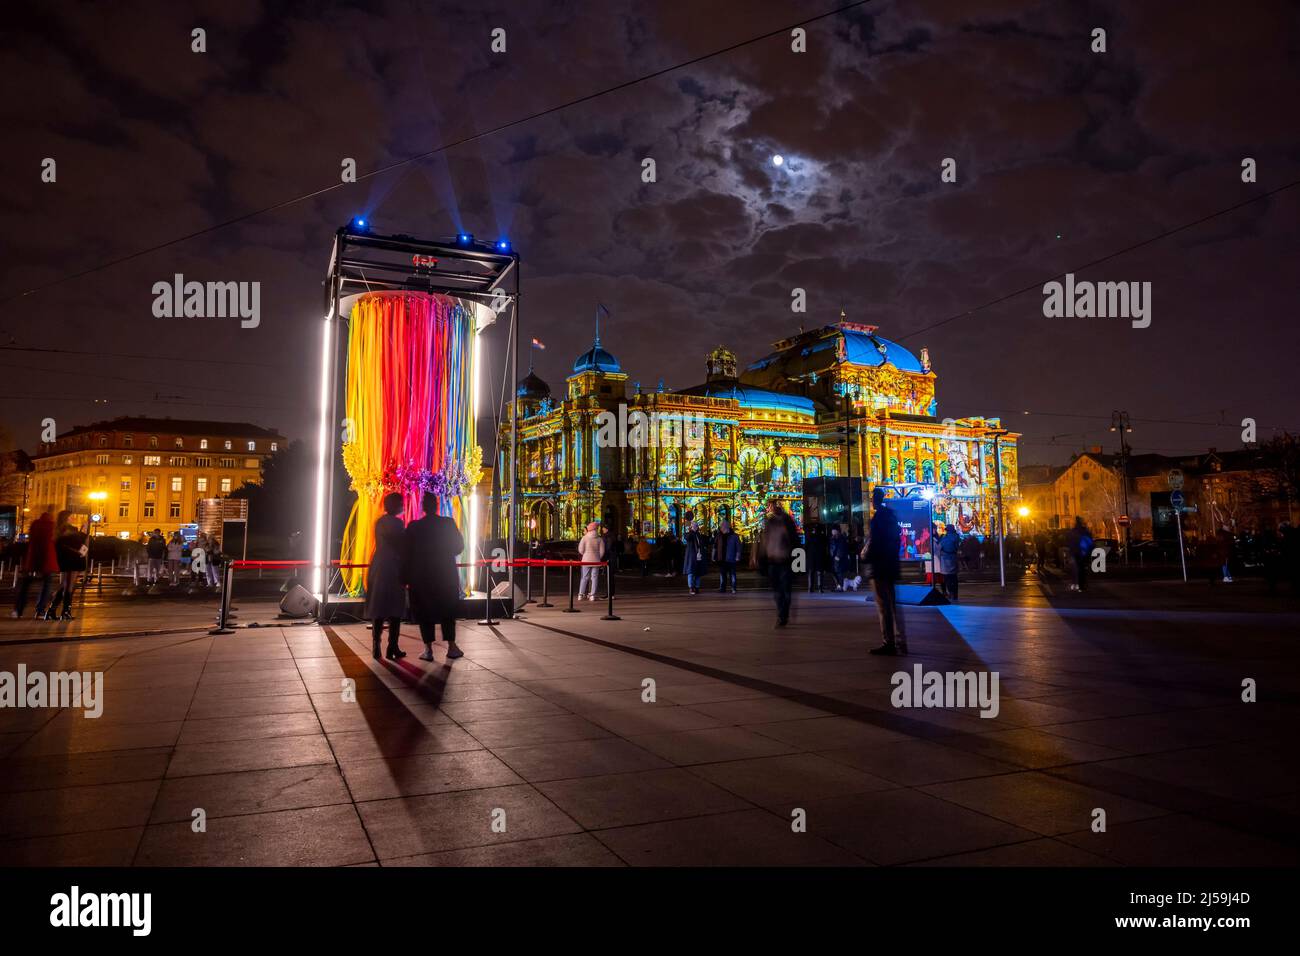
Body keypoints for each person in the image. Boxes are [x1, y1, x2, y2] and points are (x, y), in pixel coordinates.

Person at [404, 492, 465, 661]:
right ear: (437, 505)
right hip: (445, 574)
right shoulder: (447, 523)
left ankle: (428, 649)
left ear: (423, 507)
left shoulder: (414, 527)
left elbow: (406, 553)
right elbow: (459, 547)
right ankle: (451, 646)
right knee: (448, 610)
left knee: (425, 612)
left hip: (422, 576)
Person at [863, 488, 906, 655]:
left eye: (872, 498)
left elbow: (875, 542)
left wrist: (866, 555)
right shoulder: (891, 516)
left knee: (883, 606)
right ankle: (900, 641)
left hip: (880, 567)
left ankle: (888, 642)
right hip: (890, 566)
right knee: (892, 606)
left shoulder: (879, 518)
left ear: (875, 499)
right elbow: (895, 540)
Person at [367, 492, 408, 661]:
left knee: (379, 606)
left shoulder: (380, 522)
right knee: (395, 608)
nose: (403, 506)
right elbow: (400, 544)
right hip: (393, 566)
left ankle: (376, 646)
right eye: (400, 503)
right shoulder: (397, 523)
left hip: (379, 565)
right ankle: (392, 646)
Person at [753, 501, 798, 626]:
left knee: (785, 591)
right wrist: (762, 560)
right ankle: (782, 613)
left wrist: (798, 563)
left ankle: (783, 615)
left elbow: (795, 542)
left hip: (785, 562)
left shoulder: (787, 522)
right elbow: (765, 543)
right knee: (778, 591)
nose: (772, 509)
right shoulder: (770, 522)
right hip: (773, 561)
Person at [12, 506, 59, 620]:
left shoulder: (35, 524)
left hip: (32, 560)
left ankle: (18, 610)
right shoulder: (52, 526)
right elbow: (48, 545)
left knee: (25, 586)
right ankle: (40, 610)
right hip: (46, 562)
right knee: (46, 587)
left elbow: (32, 542)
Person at [50, 511, 88, 621]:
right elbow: (78, 542)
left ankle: (52, 610)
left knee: (65, 585)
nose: (73, 518)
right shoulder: (70, 529)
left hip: (64, 559)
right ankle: (65, 612)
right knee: (69, 587)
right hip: (72, 559)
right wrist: (83, 531)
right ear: (66, 518)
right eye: (71, 517)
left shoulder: (58, 530)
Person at [577, 520, 604, 601]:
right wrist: (598, 557)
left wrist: (585, 554)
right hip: (596, 561)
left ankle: (581, 594)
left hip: (586, 560)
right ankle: (592, 595)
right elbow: (602, 551)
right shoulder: (599, 539)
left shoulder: (584, 538)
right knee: (594, 578)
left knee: (584, 577)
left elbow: (580, 550)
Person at [1064, 517, 1092, 592]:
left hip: (1075, 552)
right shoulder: (1085, 531)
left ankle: (1079, 584)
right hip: (1083, 552)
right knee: (1082, 568)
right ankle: (1082, 584)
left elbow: (1067, 541)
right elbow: (1090, 541)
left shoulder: (1072, 532)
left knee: (1077, 568)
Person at [714, 520, 740, 593]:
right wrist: (714, 556)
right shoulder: (719, 536)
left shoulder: (734, 536)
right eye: (721, 526)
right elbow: (715, 546)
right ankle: (722, 588)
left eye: (722, 525)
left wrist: (737, 556)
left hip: (731, 558)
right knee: (722, 575)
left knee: (732, 574)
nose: (721, 527)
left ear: (727, 526)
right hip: (722, 558)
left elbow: (738, 547)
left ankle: (733, 588)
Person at [683, 520, 708, 595]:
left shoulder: (699, 534)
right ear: (691, 527)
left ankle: (697, 587)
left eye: (696, 526)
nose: (696, 527)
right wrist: (691, 530)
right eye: (694, 526)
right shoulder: (689, 534)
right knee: (691, 572)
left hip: (699, 555)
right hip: (691, 556)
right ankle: (691, 588)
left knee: (698, 572)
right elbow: (687, 538)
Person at [939, 524, 961, 602]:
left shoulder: (944, 538)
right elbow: (958, 547)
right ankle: (955, 595)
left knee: (947, 578)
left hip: (945, 559)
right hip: (953, 558)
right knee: (954, 578)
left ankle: (950, 593)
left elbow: (939, 548)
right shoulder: (956, 537)